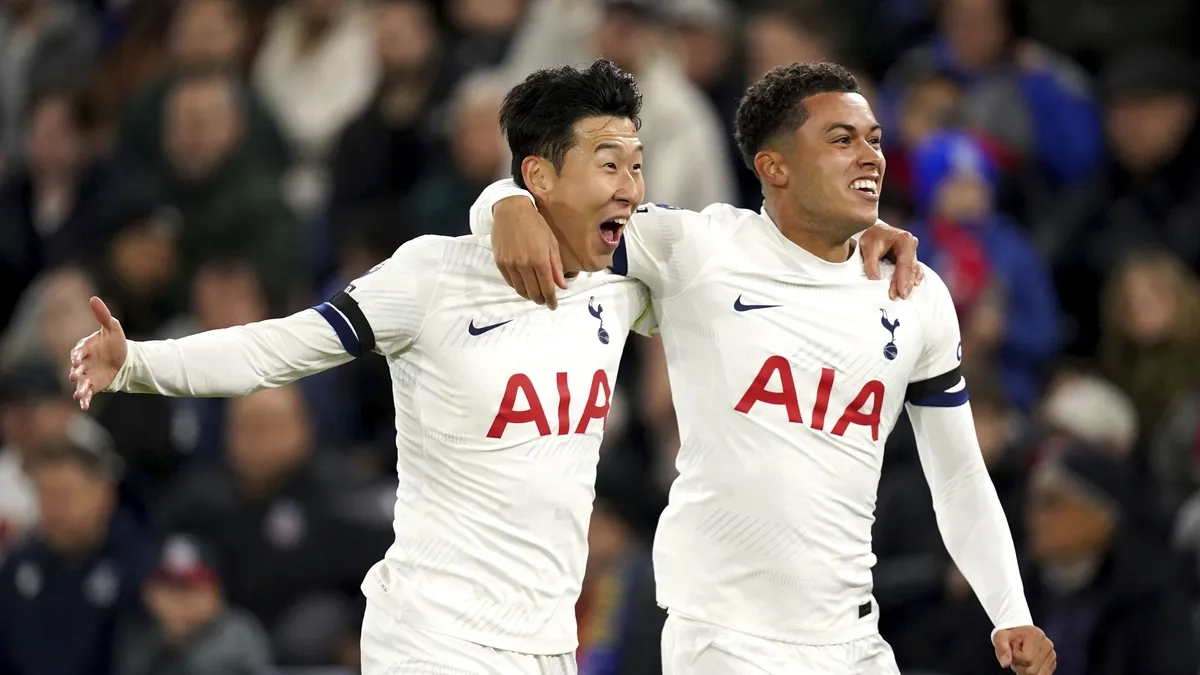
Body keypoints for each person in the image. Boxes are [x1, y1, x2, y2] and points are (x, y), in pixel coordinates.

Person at [69, 60, 916, 674]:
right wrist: (136, 362)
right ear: (542, 173)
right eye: (608, 163)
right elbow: (279, 346)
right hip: (430, 636)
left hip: (547, 643)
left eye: (637, 162)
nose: (632, 185)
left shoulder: (623, 284)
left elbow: (758, 265)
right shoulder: (431, 277)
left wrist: (849, 244)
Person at [469, 61, 1056, 674]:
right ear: (775, 167)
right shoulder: (696, 249)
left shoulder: (914, 291)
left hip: (854, 641)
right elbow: (548, 217)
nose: (870, 156)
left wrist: (1010, 610)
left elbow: (959, 475)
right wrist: (506, 200)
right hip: (726, 640)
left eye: (875, 140)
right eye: (841, 140)